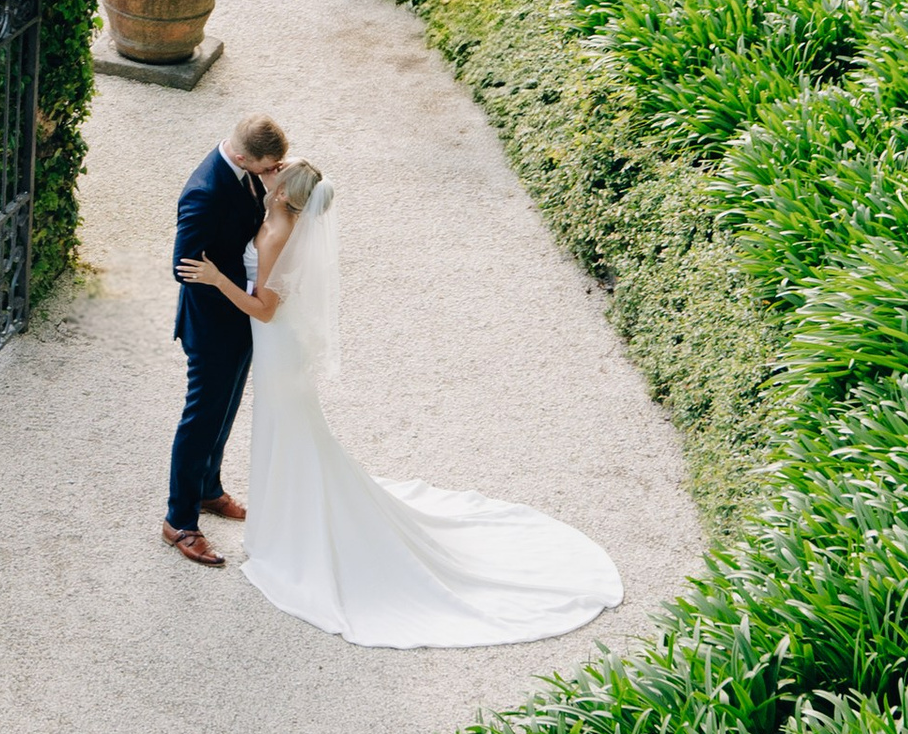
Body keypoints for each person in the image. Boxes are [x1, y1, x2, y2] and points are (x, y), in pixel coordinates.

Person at [178, 159, 623, 645]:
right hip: (280, 346)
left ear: (284, 195)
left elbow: (264, 309)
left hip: (275, 345)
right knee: (289, 428)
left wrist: (217, 278)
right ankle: (286, 514)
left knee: (286, 426)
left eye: (278, 175)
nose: (272, 174)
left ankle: (293, 530)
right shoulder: (279, 217)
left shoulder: (276, 234)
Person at [163, 111, 288, 567]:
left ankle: (208, 488)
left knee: (227, 408)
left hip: (242, 319)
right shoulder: (203, 192)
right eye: (266, 166)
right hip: (214, 323)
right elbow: (183, 267)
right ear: (240, 156)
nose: (271, 173)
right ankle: (179, 520)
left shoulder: (250, 171)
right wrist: (227, 285)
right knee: (200, 419)